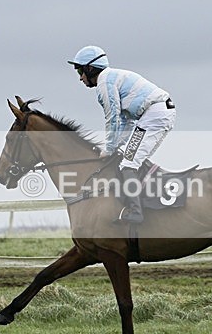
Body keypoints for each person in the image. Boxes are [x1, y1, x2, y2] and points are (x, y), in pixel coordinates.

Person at [68, 45, 176, 224]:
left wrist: (109, 148)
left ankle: (136, 212)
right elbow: (126, 122)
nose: (80, 77)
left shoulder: (104, 83)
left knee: (128, 163)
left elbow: (112, 118)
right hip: (155, 113)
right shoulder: (110, 78)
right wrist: (115, 145)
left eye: (80, 71)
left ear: (90, 68)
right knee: (128, 157)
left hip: (155, 114)